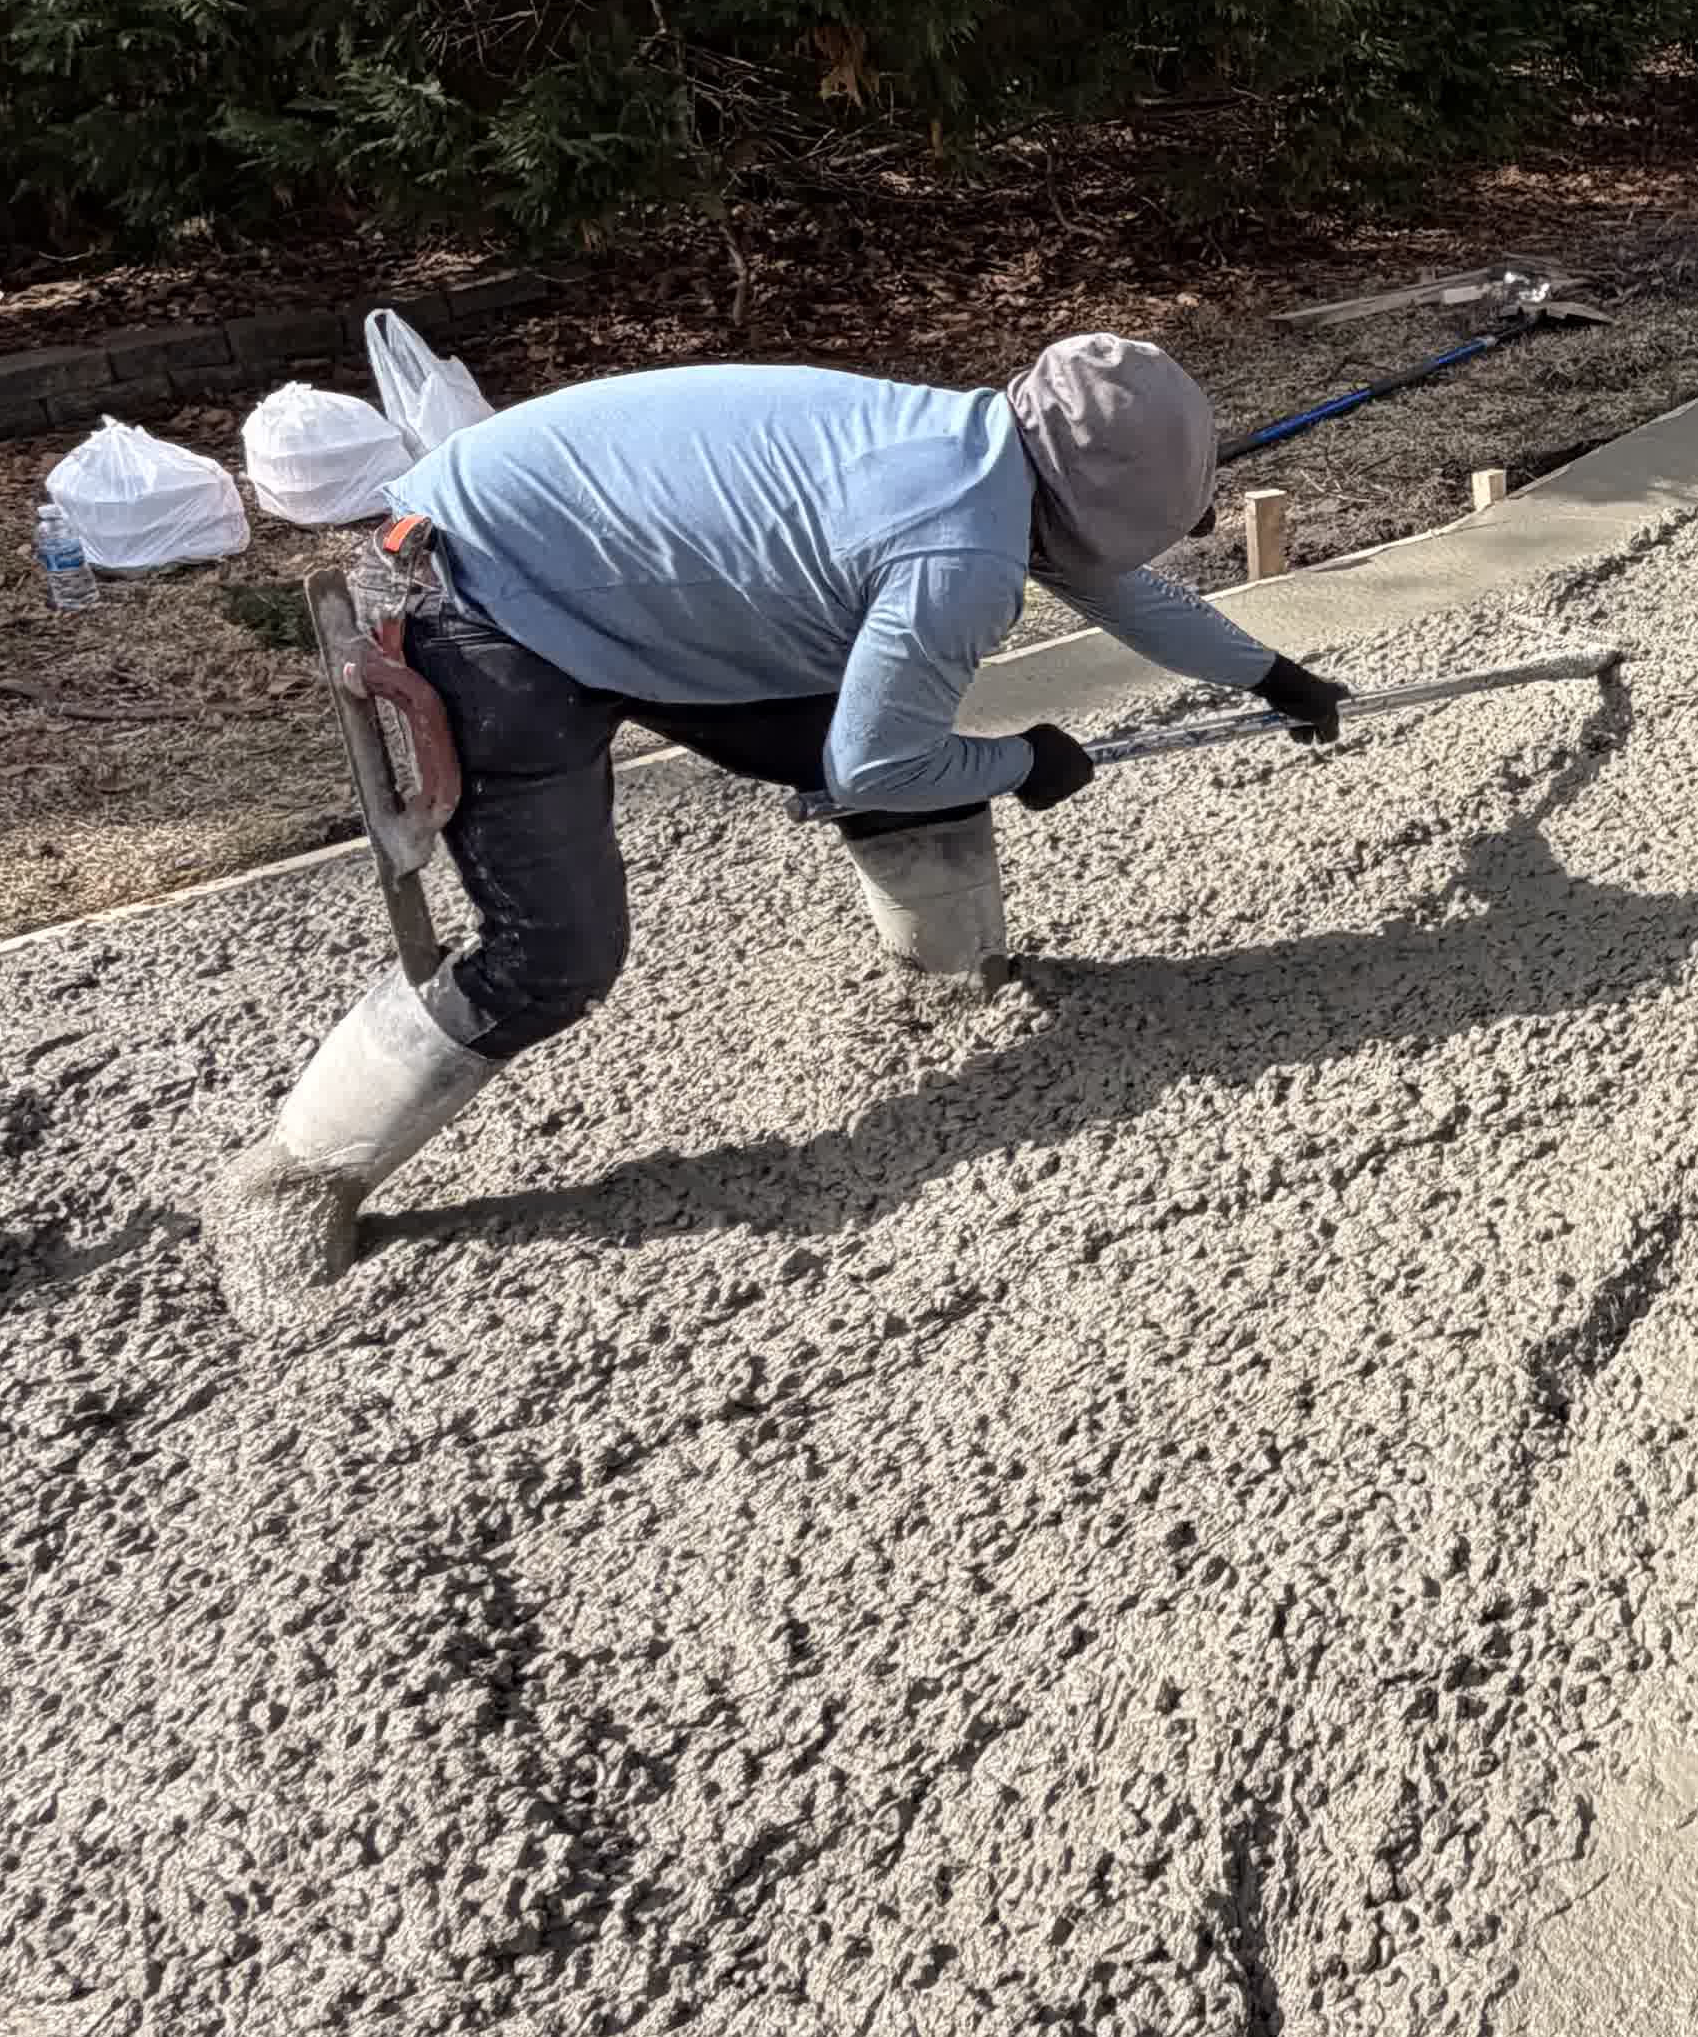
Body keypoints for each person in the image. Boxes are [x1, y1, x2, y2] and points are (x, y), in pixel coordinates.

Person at [207, 334, 1331, 1312]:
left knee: (904, 740)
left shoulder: (987, 448)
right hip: (482, 597)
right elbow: (876, 758)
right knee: (553, 953)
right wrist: (1023, 759)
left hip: (618, 576)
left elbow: (1111, 587)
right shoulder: (958, 550)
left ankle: (954, 983)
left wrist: (1269, 673)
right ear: (1099, 500)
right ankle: (291, 1180)